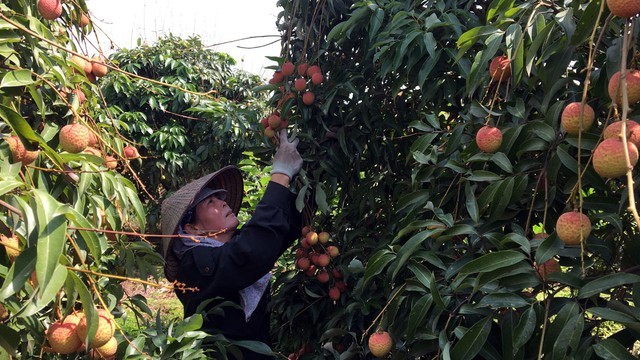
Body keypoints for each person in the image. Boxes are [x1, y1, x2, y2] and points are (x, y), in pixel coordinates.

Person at [160, 129, 303, 359]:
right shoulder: (194, 264)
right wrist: (280, 175)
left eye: (221, 198)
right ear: (192, 229)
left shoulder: (229, 247)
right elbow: (250, 253)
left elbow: (282, 229)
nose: (223, 203)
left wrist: (312, 172)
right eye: (210, 202)